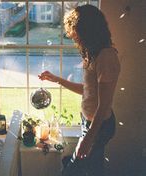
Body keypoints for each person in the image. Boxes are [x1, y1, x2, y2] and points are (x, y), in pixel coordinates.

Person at [39, 4, 120, 176]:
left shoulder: (106, 57)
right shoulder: (93, 54)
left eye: (78, 35)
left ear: (90, 32)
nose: (76, 40)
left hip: (99, 126)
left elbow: (104, 105)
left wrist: (89, 138)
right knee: (92, 168)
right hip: (89, 124)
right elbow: (88, 91)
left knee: (74, 170)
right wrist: (57, 79)